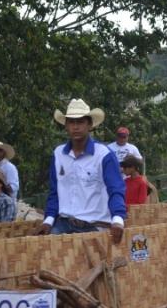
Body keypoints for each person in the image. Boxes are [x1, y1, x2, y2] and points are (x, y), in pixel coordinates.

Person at [38, 99, 126, 243]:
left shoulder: (104, 155)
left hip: (94, 224)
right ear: (66, 126)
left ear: (89, 125)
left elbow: (116, 189)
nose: (75, 127)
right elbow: (54, 192)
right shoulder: (58, 154)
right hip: (64, 223)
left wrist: (117, 220)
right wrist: (48, 220)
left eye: (80, 122)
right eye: (71, 122)